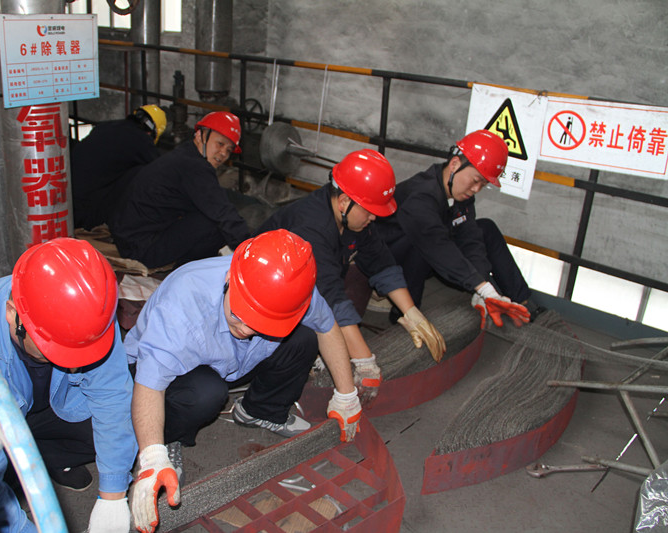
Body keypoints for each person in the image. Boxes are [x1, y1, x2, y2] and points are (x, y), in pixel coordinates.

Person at [126, 229, 363, 533]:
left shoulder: (289, 289)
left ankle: (260, 410)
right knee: (206, 393)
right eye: (240, 316)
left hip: (234, 360)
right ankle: (171, 435)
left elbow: (327, 327)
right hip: (175, 373)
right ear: (229, 281)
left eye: (260, 323)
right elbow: (150, 384)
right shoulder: (182, 304)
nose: (247, 330)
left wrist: (346, 395)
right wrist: (151, 456)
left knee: (304, 338)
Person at [0, 238, 136, 533]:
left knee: (119, 430)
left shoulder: (91, 310)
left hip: (47, 407)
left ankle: (42, 458)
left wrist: (113, 495)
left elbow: (112, 397)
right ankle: (18, 466)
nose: (69, 362)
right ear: (12, 314)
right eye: (56, 350)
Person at [258, 149, 446, 398]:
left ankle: (329, 350)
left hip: (308, 289)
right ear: (345, 201)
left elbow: (381, 261)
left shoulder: (351, 217)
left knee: (354, 284)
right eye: (369, 210)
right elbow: (330, 297)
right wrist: (364, 361)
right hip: (264, 299)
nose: (373, 217)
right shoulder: (312, 228)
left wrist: (412, 313)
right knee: (307, 338)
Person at [376, 129, 534, 328]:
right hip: (392, 258)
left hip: (434, 249)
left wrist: (482, 286)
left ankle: (522, 302)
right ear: (455, 165)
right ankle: (404, 315)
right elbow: (438, 247)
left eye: (483, 184)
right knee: (419, 246)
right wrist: (482, 288)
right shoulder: (421, 196)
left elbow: (470, 238)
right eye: (475, 180)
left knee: (486, 228)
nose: (476, 189)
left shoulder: (461, 194)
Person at [107, 111, 251, 269]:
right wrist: (251, 252)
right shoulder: (195, 166)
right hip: (141, 248)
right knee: (214, 225)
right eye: (220, 144)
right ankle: (187, 272)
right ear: (200, 136)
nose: (223, 153)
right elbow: (223, 213)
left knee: (207, 214)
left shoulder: (184, 154)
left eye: (229, 150)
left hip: (129, 240)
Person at [71, 104, 166, 230]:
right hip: (88, 215)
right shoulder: (142, 140)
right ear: (152, 132)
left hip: (67, 204)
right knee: (142, 174)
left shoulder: (105, 126)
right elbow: (163, 173)